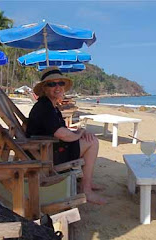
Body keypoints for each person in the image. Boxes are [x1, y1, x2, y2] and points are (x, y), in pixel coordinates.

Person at [26, 66, 107, 205]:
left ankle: (86, 182)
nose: (57, 87)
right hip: (46, 154)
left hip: (49, 147)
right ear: (45, 88)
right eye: (52, 84)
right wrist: (80, 132)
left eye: (60, 83)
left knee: (89, 139)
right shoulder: (45, 108)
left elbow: (62, 130)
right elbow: (63, 134)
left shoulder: (50, 106)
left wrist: (78, 134)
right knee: (93, 142)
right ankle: (86, 189)